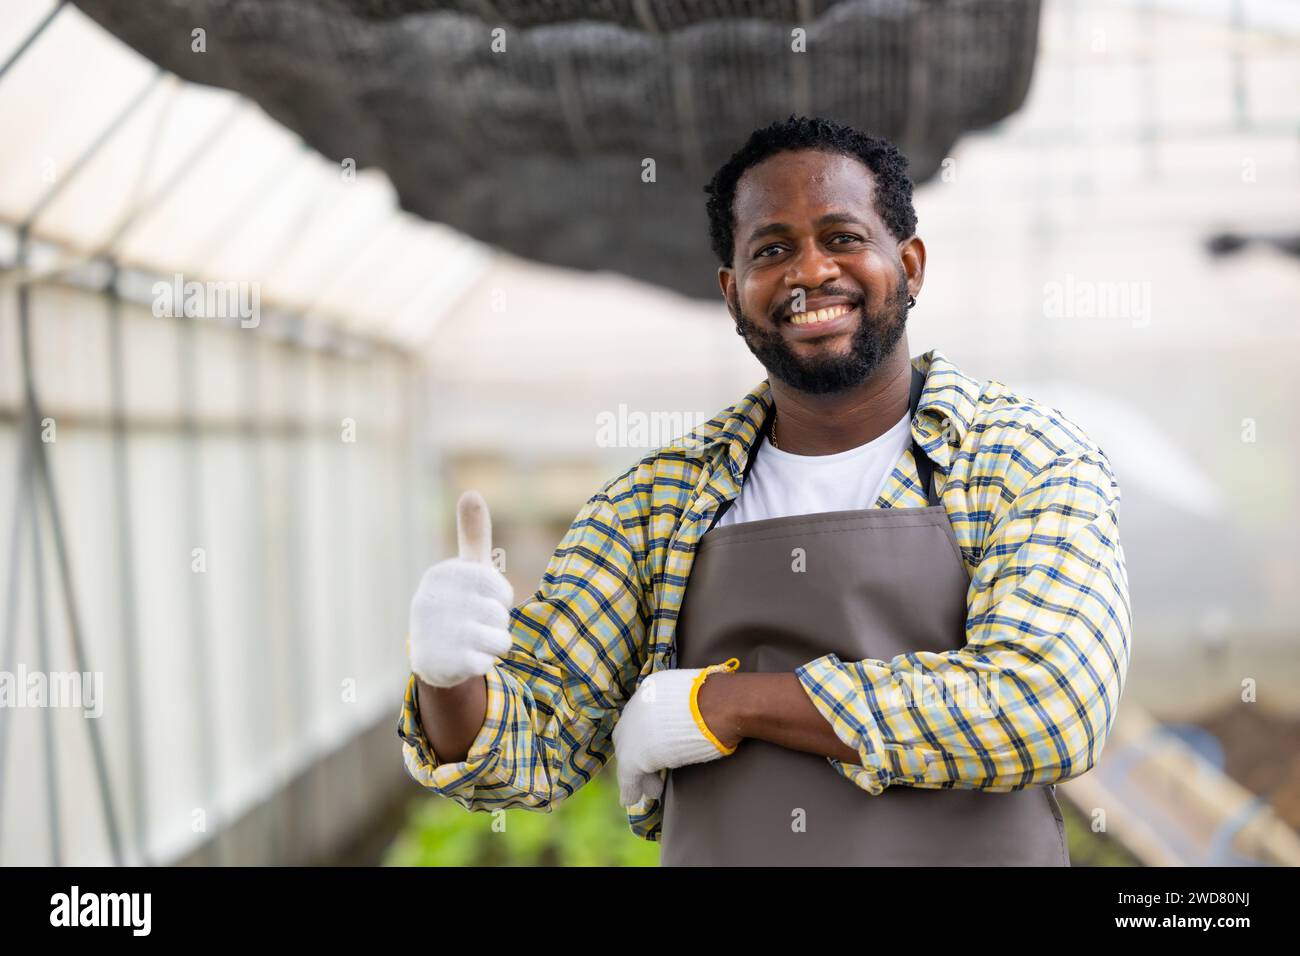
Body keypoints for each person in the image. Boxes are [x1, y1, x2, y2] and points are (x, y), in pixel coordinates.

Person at [398, 115, 1131, 865]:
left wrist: (723, 703)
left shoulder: (1021, 459)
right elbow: (529, 751)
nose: (810, 272)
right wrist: (448, 681)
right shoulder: (657, 501)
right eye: (772, 249)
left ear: (909, 264)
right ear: (732, 291)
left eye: (843, 238)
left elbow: (1049, 706)